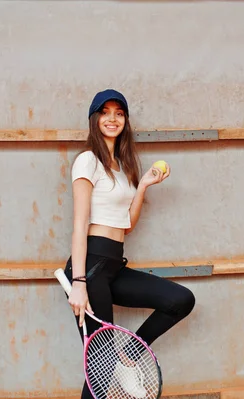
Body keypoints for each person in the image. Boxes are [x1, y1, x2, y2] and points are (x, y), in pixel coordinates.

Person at [63, 89, 196, 399]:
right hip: (91, 267)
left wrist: (144, 185)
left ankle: (129, 358)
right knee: (102, 362)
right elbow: (79, 225)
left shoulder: (122, 167)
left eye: (119, 113)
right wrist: (79, 282)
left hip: (114, 266)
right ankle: (117, 362)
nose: (112, 118)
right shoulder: (87, 161)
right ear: (95, 120)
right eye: (106, 112)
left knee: (180, 300)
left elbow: (128, 224)